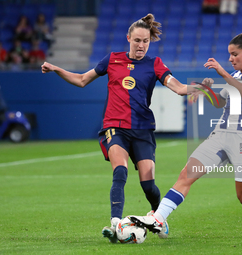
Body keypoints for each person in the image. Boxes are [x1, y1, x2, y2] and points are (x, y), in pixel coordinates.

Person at [41, 14, 202, 243]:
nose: (141, 45)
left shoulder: (154, 64)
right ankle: (115, 224)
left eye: (145, 41)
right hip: (115, 127)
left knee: (149, 185)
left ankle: (158, 217)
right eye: (137, 40)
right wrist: (58, 69)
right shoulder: (112, 60)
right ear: (128, 38)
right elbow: (82, 80)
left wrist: (200, 88)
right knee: (120, 171)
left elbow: (176, 87)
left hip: (143, 129)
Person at [129, 21, 242, 239]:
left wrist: (223, 72)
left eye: (234, 54)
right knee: (186, 175)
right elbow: (219, 102)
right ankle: (158, 219)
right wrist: (204, 89)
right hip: (221, 134)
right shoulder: (235, 76)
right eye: (229, 55)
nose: (231, 59)